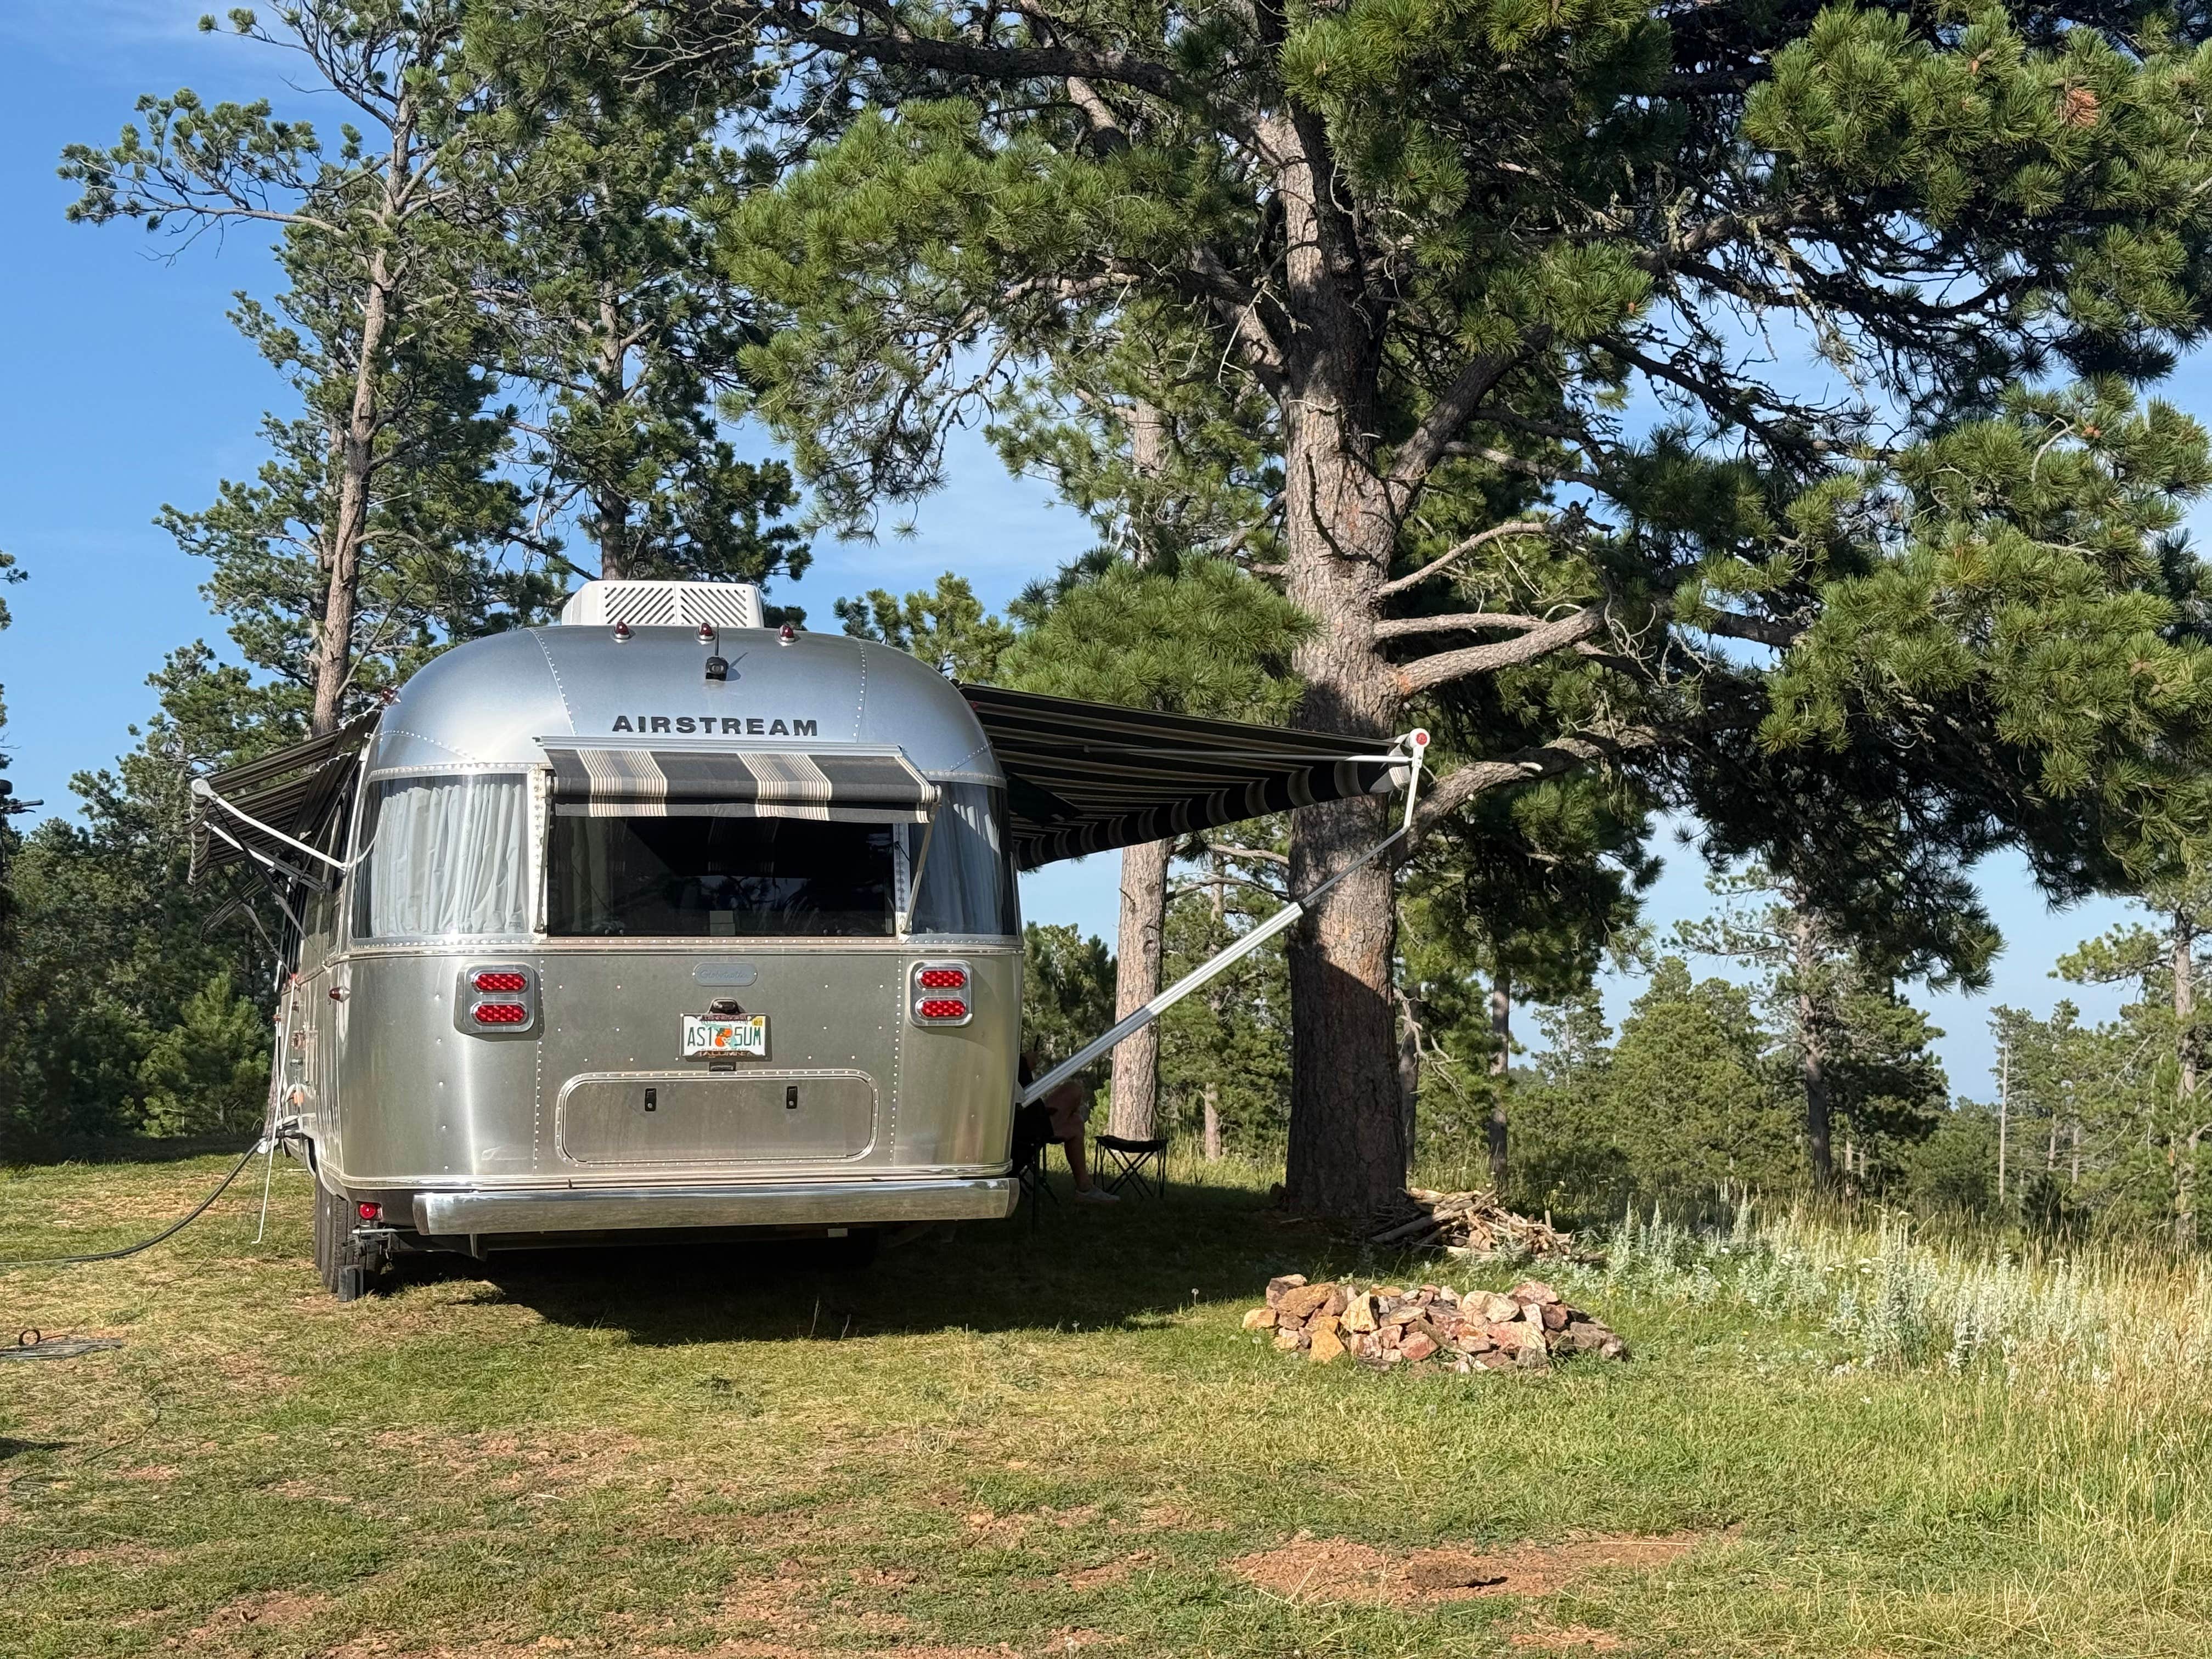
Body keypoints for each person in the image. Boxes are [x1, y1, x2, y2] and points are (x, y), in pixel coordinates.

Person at [1015, 1051, 1119, 1203]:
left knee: (1076, 1123)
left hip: (1025, 1122)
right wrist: (1024, 1063)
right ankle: (1085, 1190)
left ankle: (1085, 1188)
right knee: (1073, 1090)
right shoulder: (1006, 1060)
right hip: (1022, 1130)